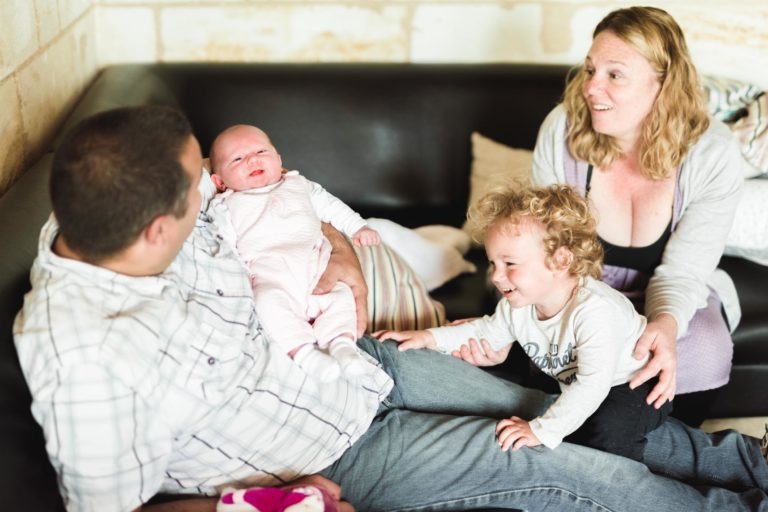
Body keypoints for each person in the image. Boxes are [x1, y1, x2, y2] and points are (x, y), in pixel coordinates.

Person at [13, 105, 768, 512]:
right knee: (569, 467)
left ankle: (747, 467)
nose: (215, 193)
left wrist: (348, 268)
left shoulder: (93, 206)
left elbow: (297, 204)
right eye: (199, 192)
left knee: (582, 405)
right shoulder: (88, 361)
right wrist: (267, 507)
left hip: (363, 362)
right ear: (156, 231)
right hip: (330, 454)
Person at [458, 6, 748, 427]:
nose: (591, 88)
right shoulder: (563, 129)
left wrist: (663, 326)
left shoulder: (712, 154)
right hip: (573, 285)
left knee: (702, 347)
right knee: (571, 348)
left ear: (663, 84)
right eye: (591, 68)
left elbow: (684, 273)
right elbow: (544, 252)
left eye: (615, 75)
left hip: (668, 292)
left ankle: (672, 439)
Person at [376, 185, 671, 462]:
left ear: (560, 261)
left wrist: (538, 431)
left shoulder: (595, 312)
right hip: (582, 384)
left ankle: (620, 484)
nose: (495, 276)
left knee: (607, 430)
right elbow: (484, 331)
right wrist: (427, 338)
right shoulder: (518, 305)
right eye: (493, 263)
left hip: (637, 385)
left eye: (510, 264)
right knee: (567, 419)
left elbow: (593, 385)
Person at [207, 124, 380, 382]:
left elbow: (331, 207)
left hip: (317, 267)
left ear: (279, 160)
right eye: (238, 159)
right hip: (270, 275)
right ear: (219, 182)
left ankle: (343, 347)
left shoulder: (299, 184)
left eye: (261, 151)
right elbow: (224, 244)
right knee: (266, 304)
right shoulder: (225, 205)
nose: (252, 159)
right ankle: (304, 354)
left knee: (341, 295)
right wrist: (240, 277)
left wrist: (358, 226)